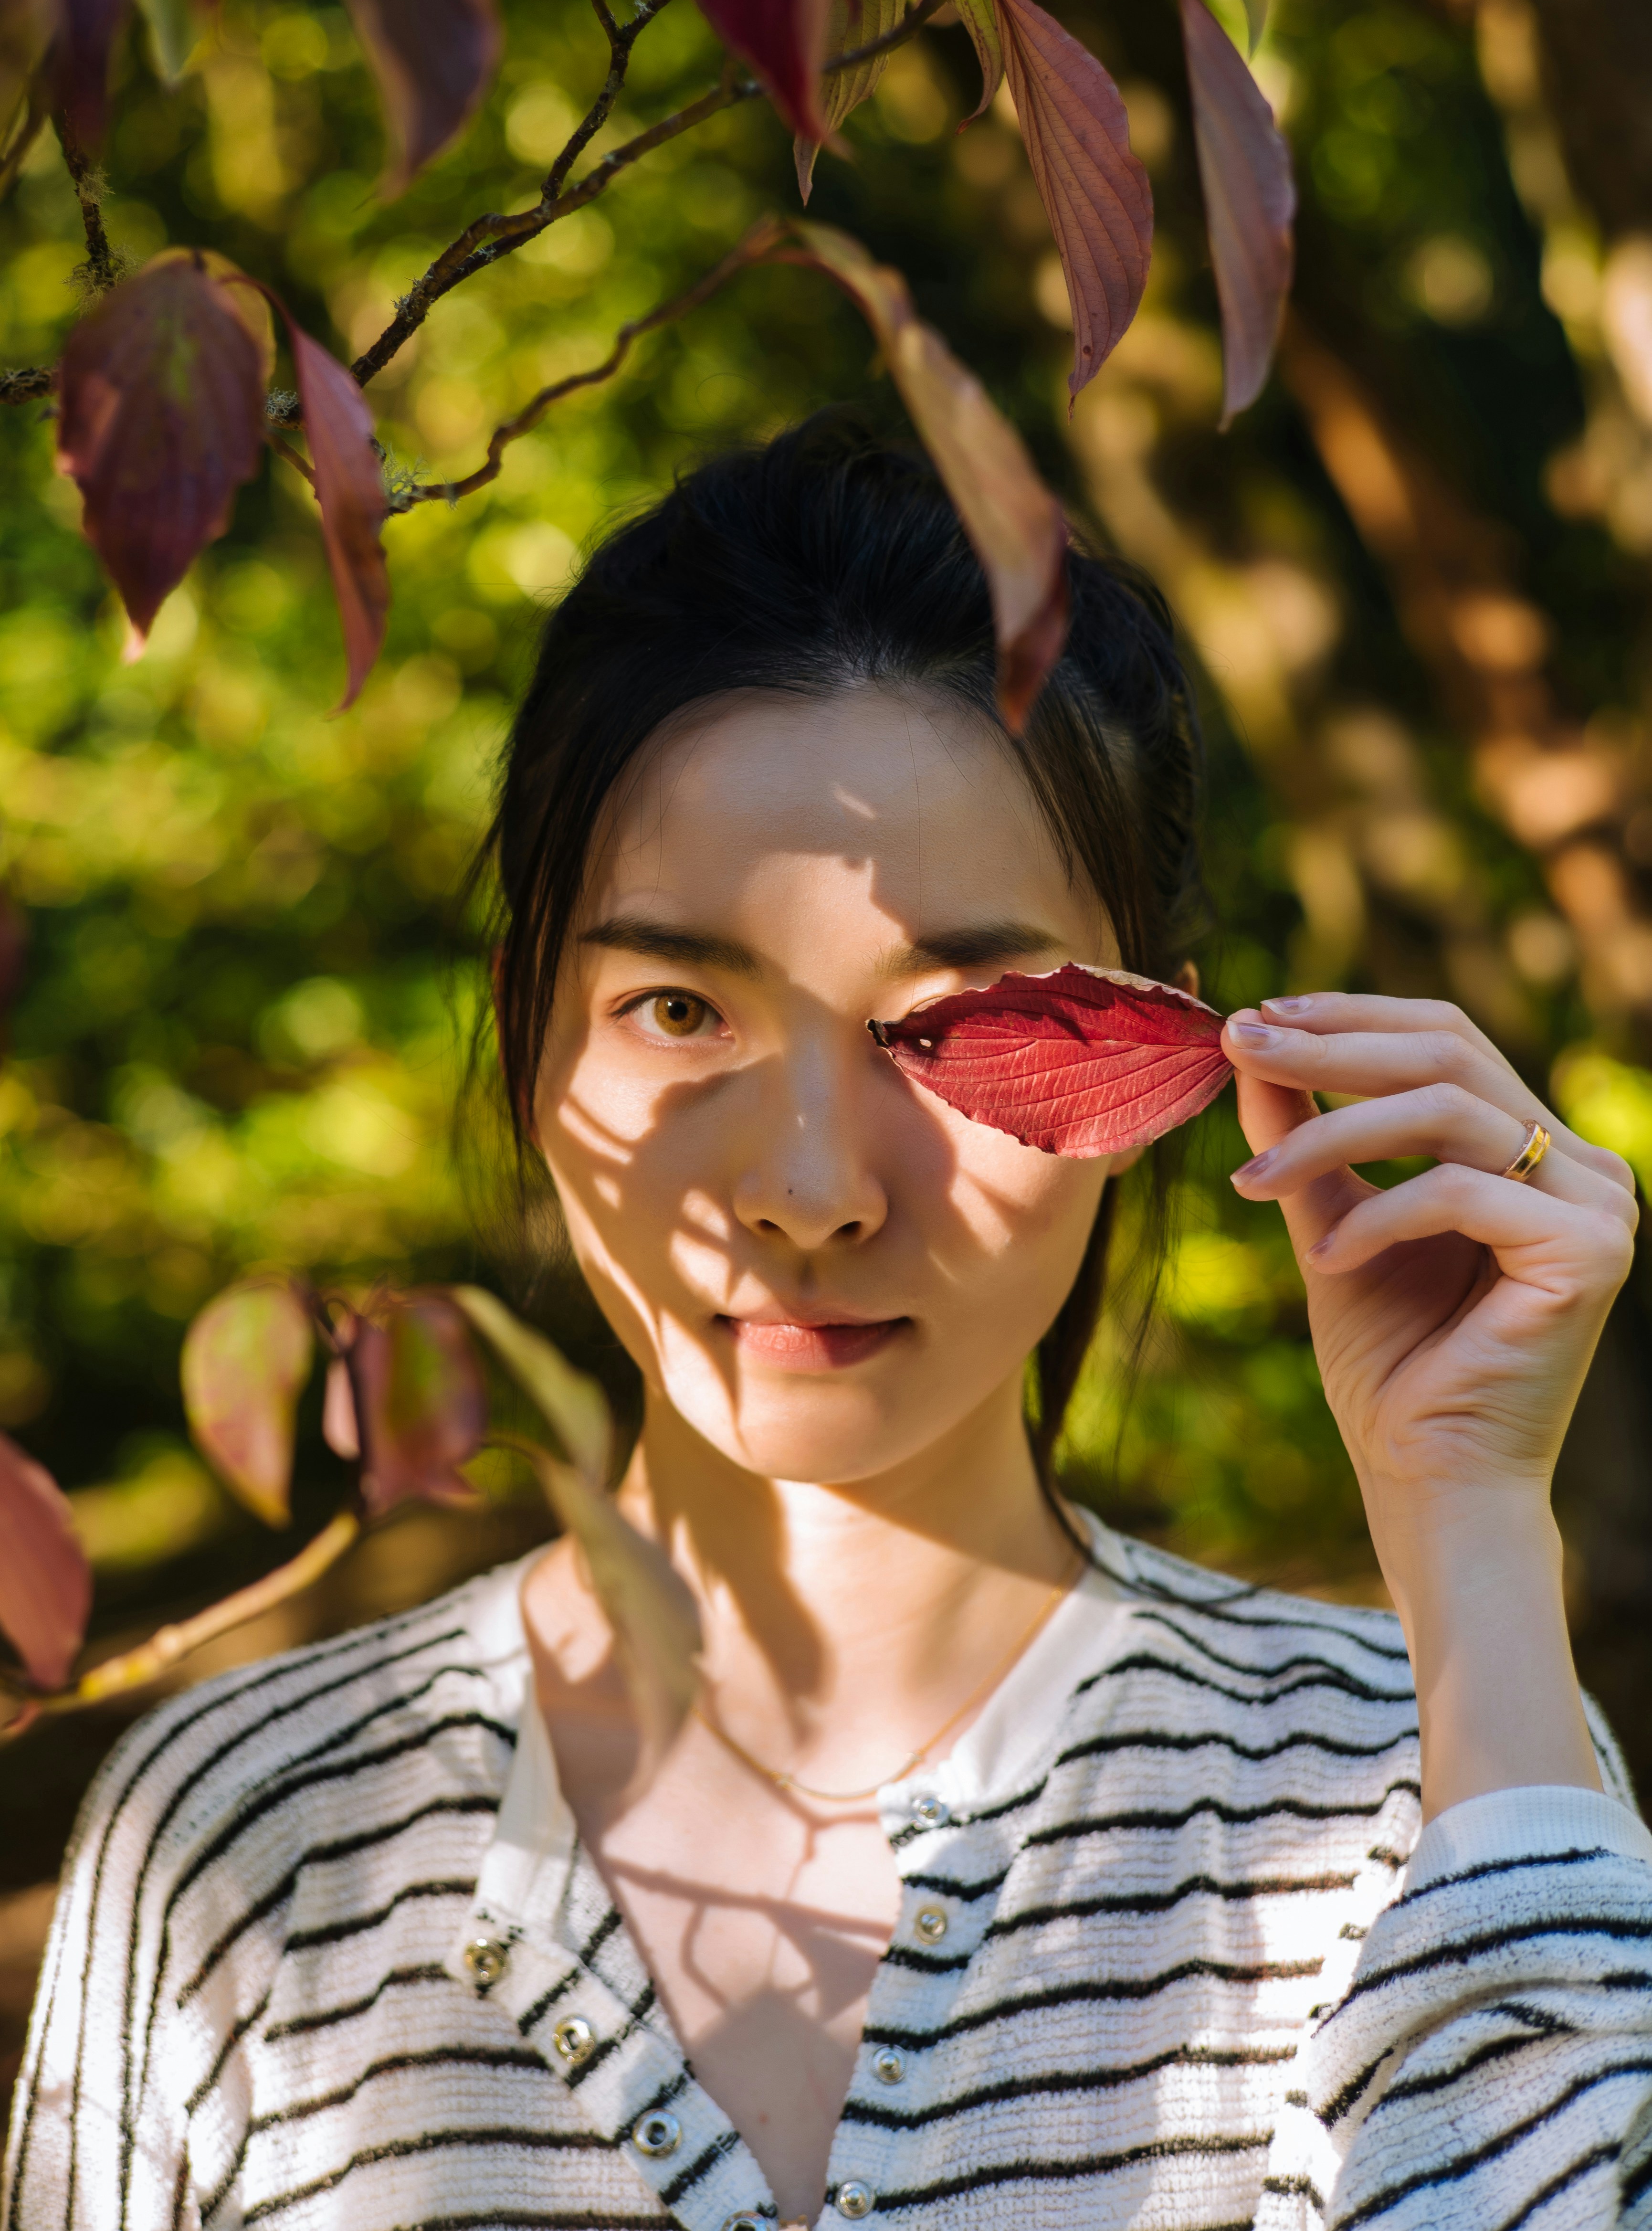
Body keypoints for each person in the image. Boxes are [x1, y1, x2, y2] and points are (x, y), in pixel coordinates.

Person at [8, 418, 1652, 2231]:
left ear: (1151, 1068)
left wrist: (1478, 1538)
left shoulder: (1420, 1785)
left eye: (952, 1022)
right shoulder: (247, 1843)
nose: (807, 1186)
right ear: (533, 1038)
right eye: (677, 1008)